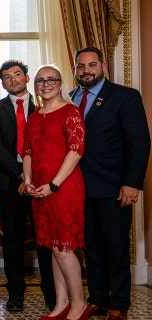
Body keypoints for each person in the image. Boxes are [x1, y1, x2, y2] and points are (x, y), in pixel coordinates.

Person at [71, 47, 150, 320]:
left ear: (103, 66)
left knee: (115, 247)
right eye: (81, 66)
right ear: (75, 69)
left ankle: (118, 303)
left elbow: (139, 144)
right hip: (79, 189)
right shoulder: (69, 99)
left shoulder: (125, 96)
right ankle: (98, 298)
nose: (86, 70)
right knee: (91, 248)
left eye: (92, 64)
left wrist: (132, 184)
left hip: (114, 188)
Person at [0, 60, 56, 312]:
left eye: (17, 74)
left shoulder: (45, 106)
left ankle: (52, 294)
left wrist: (34, 178)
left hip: (43, 183)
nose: (12, 79)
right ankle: (16, 294)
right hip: (10, 184)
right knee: (13, 240)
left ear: (27, 78)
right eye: (6, 76)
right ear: (2, 83)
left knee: (45, 239)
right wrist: (21, 176)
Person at [23, 65, 88, 320]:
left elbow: (76, 150)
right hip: (39, 190)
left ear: (60, 83)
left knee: (64, 247)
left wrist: (54, 185)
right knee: (53, 246)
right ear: (35, 85)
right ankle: (61, 304)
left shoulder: (71, 112)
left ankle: (79, 304)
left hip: (64, 188)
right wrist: (28, 180)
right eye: (40, 80)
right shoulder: (35, 116)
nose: (45, 84)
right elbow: (27, 151)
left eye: (51, 79)